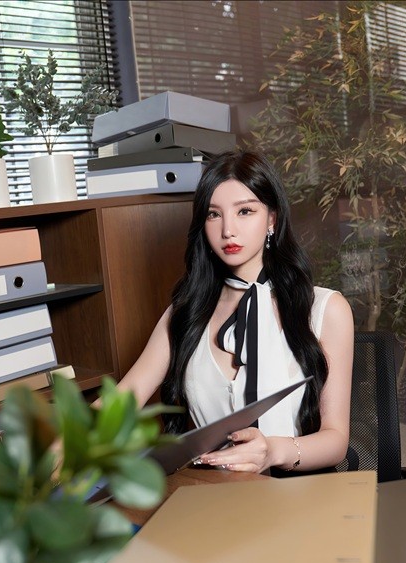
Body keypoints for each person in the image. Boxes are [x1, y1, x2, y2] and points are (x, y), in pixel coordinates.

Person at [116, 150, 354, 475]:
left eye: (245, 211)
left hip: (298, 495)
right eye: (214, 215)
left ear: (272, 219)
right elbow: (122, 401)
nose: (228, 230)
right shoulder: (185, 313)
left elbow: (336, 440)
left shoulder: (325, 309)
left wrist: (273, 451)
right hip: (216, 495)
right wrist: (66, 440)